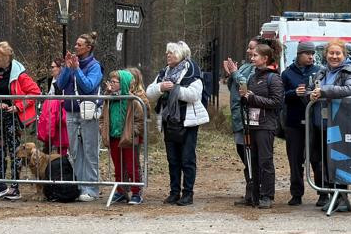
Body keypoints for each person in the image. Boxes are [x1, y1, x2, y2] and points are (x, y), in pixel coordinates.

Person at [147, 41, 208, 206]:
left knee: (187, 159)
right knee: (172, 159)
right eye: (167, 53)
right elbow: (149, 93)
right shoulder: (163, 73)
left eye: (172, 53)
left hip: (187, 122)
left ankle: (188, 194)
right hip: (169, 121)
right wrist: (161, 87)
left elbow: (194, 95)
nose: (168, 55)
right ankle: (174, 192)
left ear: (181, 55)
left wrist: (174, 88)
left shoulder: (192, 72)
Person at [0, 41, 40, 200]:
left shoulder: (19, 74)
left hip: (13, 118)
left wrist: (18, 106)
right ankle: (1, 185)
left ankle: (15, 187)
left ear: (5, 57)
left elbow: (34, 92)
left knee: (15, 152)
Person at [308, 38, 351, 212]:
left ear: (344, 55)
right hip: (319, 124)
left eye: (338, 53)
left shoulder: (350, 71)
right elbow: (311, 90)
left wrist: (324, 91)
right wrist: (310, 95)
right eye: (331, 53)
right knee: (322, 161)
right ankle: (332, 196)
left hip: (339, 125)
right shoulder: (321, 72)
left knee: (338, 162)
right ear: (326, 55)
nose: (334, 56)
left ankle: (343, 198)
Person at [54, 32, 105, 201]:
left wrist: (76, 70)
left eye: (79, 45)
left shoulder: (94, 66)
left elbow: (89, 87)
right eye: (75, 44)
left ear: (88, 48)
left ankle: (91, 189)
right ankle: (79, 186)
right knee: (75, 152)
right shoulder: (72, 64)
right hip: (71, 111)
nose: (75, 47)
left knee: (90, 151)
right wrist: (68, 69)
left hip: (88, 113)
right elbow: (60, 85)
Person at [238, 39, 285, 208]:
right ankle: (253, 195)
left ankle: (267, 196)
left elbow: (277, 102)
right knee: (252, 160)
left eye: (256, 55)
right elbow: (249, 99)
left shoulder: (274, 78)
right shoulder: (252, 76)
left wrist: (252, 98)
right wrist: (244, 98)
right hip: (252, 124)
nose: (252, 57)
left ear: (265, 58)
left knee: (265, 161)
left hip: (266, 125)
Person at [281, 41, 320, 205]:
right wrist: (293, 93)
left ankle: (323, 193)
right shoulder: (287, 73)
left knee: (317, 159)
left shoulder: (319, 71)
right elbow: (280, 95)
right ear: (299, 54)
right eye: (307, 53)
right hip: (294, 122)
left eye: (313, 54)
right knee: (295, 160)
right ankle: (296, 194)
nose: (311, 56)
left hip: (315, 123)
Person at [223, 41, 259, 204]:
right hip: (238, 118)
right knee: (243, 152)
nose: (248, 50)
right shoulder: (245, 66)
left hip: (249, 119)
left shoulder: (258, 69)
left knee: (250, 155)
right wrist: (231, 74)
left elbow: (245, 85)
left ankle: (255, 191)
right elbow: (233, 85)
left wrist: (235, 73)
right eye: (248, 47)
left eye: (251, 47)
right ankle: (251, 189)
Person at [105, 66, 146, 203]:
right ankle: (121, 191)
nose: (111, 84)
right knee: (118, 166)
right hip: (113, 137)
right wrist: (103, 129)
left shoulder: (133, 100)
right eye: (111, 81)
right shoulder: (109, 99)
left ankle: (136, 192)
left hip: (128, 138)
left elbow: (139, 120)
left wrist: (132, 133)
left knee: (131, 165)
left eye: (114, 82)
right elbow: (102, 118)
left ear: (122, 84)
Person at [37, 59, 69, 155]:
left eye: (53, 67)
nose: (51, 69)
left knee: (61, 138)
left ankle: (62, 162)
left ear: (60, 68)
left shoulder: (64, 80)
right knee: (49, 137)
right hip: (51, 113)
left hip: (60, 113)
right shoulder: (52, 80)